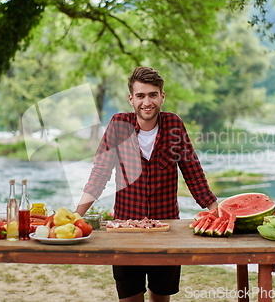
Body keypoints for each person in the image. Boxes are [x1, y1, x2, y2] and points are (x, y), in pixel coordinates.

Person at [75, 66, 218, 302]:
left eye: (153, 94)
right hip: (124, 229)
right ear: (131, 98)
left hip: (166, 228)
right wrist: (76, 215)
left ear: (162, 96)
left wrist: (219, 212)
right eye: (140, 96)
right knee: (130, 297)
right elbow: (99, 175)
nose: (147, 102)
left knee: (161, 298)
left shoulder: (174, 125)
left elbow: (193, 174)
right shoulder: (118, 124)